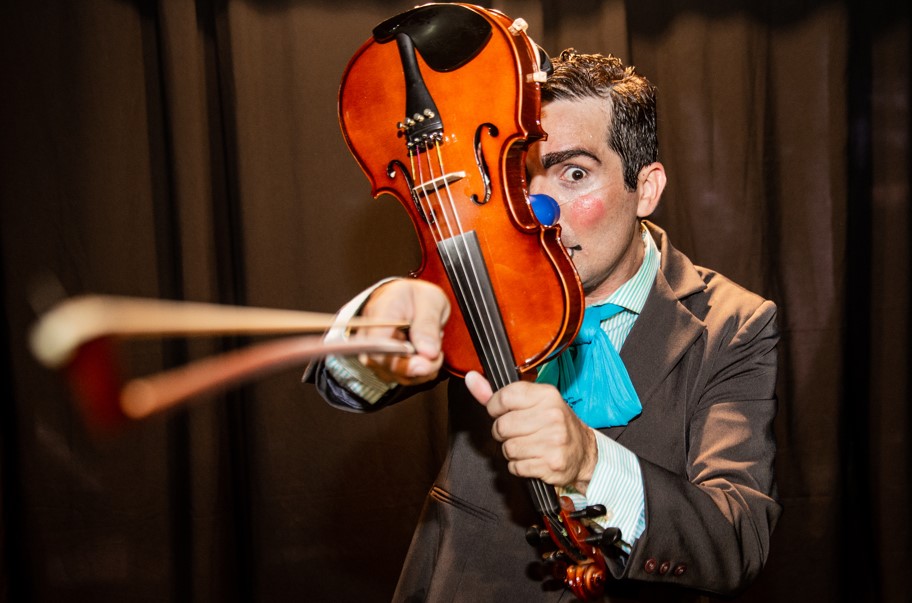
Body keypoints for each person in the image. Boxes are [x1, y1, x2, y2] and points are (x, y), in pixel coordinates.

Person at [310, 50, 780, 601]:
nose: (538, 209)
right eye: (520, 178)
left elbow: (736, 537)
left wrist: (590, 462)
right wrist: (377, 330)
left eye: (574, 174)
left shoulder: (737, 324)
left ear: (646, 189)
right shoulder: (488, 284)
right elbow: (347, 383)